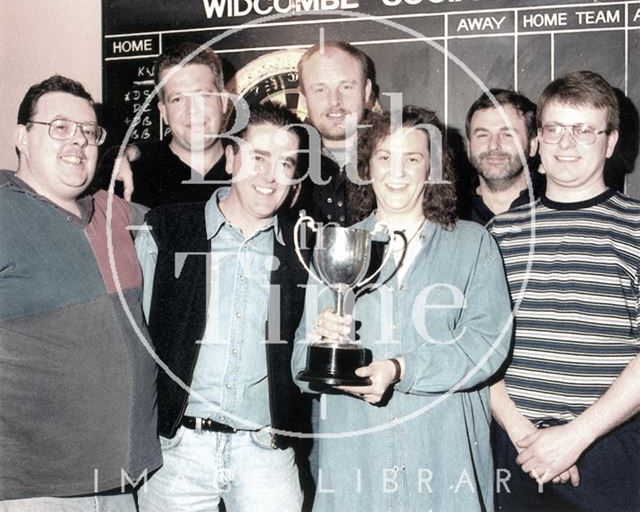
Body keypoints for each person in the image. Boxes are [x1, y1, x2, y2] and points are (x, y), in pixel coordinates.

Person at [292, 106, 512, 511]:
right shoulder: (337, 247)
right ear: (366, 168)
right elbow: (299, 369)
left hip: (444, 466)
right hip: (358, 470)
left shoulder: (473, 243)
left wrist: (400, 369)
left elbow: (488, 346)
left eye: (412, 159)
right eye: (384, 158)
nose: (397, 172)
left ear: (432, 169)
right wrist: (323, 345)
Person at [136, 102, 311, 511]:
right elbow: (133, 340)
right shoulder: (166, 231)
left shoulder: (304, 252)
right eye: (259, 158)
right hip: (175, 452)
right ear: (231, 158)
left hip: (267, 452)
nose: (270, 176)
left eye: (286, 163)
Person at [0, 75, 160, 510]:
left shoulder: (113, 212)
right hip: (36, 488)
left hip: (122, 483)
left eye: (89, 132)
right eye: (60, 127)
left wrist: (129, 154)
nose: (77, 141)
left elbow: (193, 220)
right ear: (22, 138)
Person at [488, 71, 640, 512]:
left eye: (584, 130)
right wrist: (528, 440)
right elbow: (477, 346)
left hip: (612, 453)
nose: (566, 144)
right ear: (536, 141)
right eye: (554, 129)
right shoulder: (497, 233)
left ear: (610, 143)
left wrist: (575, 438)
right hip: (516, 449)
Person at [101, 42, 230, 207]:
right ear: (164, 113)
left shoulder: (254, 169)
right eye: (177, 99)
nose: (192, 110)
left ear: (224, 102)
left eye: (203, 96)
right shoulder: (131, 176)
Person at [297, 40, 373, 225]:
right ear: (303, 98)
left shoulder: (398, 159)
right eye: (320, 89)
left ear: (366, 91)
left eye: (346, 87)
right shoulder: (287, 161)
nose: (334, 101)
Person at [461, 88, 544, 225]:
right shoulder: (452, 213)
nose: (493, 145)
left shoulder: (556, 203)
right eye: (483, 135)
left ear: (533, 146)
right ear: (469, 147)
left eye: (507, 135)